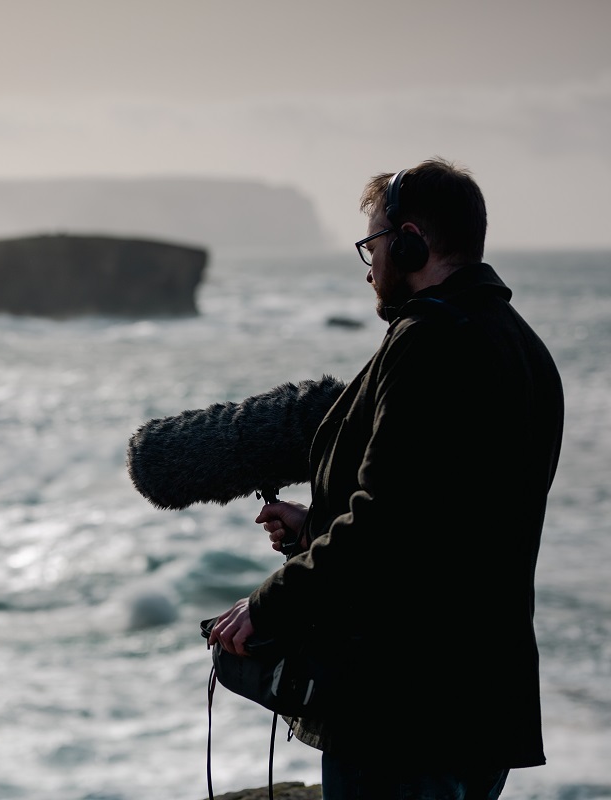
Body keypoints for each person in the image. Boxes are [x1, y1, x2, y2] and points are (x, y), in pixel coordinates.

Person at [206, 157, 565, 799]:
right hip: (486, 699)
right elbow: (447, 519)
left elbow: (385, 520)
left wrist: (266, 604)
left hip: (403, 707)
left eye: (373, 243)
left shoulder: (427, 342)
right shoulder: (525, 349)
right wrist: (315, 525)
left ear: (410, 241)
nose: (369, 264)